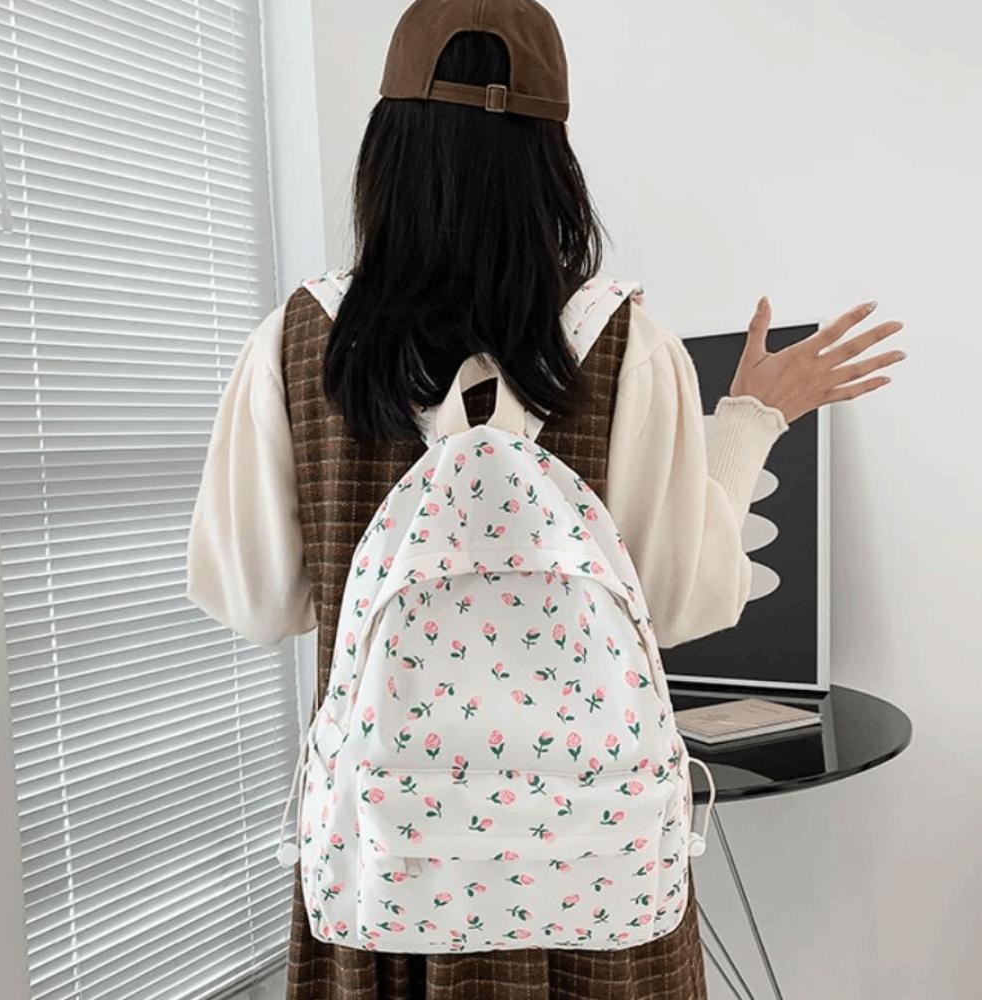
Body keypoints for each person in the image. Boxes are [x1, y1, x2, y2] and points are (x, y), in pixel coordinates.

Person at [185, 3, 906, 997]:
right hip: (593, 872)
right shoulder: (625, 345)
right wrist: (750, 420)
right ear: (553, 161)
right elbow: (681, 602)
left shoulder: (296, 344)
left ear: (385, 147)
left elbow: (255, 602)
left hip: (391, 875)